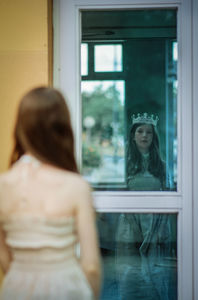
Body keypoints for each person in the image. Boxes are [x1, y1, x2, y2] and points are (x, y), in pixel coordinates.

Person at [0, 87, 101, 300]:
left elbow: (4, 258)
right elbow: (91, 266)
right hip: (66, 289)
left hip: (15, 289)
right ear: (63, 129)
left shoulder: (3, 185)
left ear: (21, 128)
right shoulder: (76, 186)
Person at [116, 113, 176, 300]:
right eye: (140, 131)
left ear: (153, 136)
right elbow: (120, 196)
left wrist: (160, 228)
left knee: (156, 274)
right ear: (133, 135)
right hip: (131, 222)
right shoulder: (124, 165)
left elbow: (168, 194)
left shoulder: (162, 165)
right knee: (131, 272)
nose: (144, 136)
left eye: (148, 132)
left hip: (156, 222)